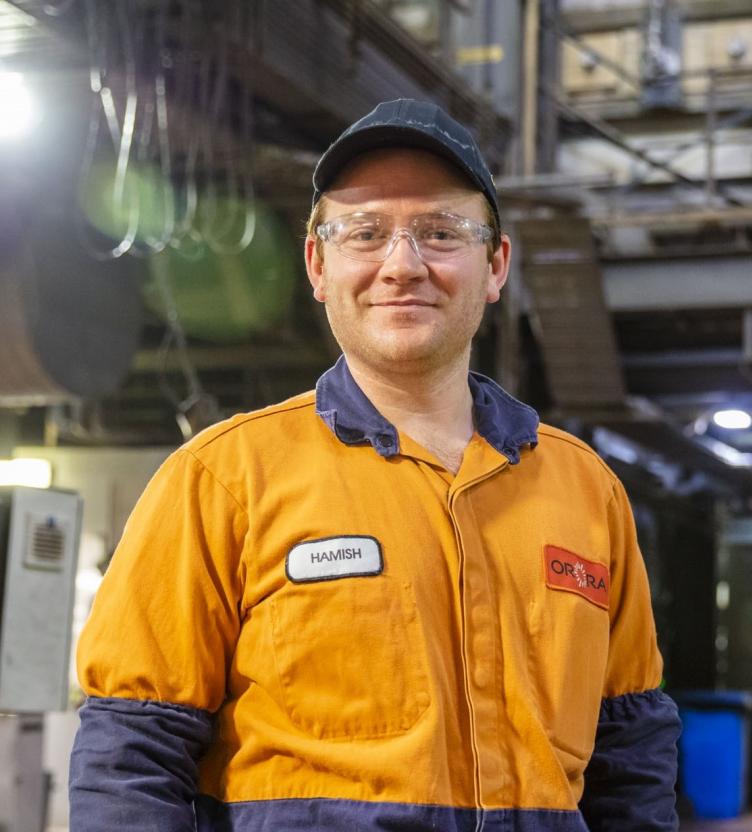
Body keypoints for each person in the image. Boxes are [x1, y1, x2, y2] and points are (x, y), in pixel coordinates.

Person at [69, 98, 680, 832]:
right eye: (367, 232)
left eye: (439, 232)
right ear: (319, 266)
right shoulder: (223, 479)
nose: (403, 265)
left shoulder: (586, 491)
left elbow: (632, 753)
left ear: (496, 266)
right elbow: (132, 752)